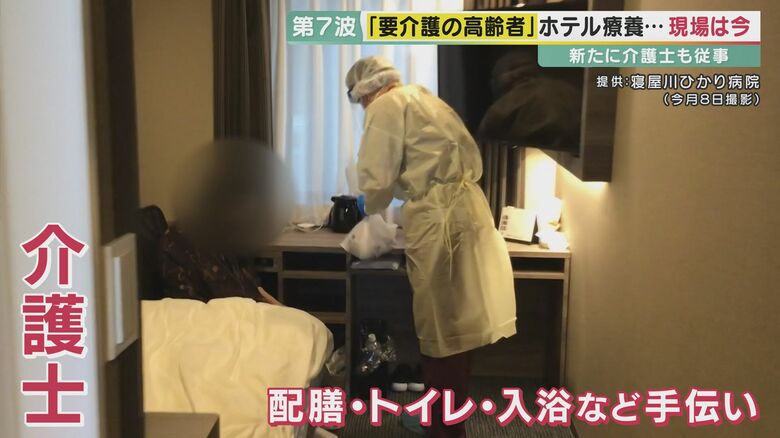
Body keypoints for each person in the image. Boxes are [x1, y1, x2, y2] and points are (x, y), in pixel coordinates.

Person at [346, 56, 517, 437]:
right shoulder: (423, 98)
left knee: (440, 332)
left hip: (440, 222)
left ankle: (442, 427)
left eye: (359, 101)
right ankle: (446, 417)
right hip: (467, 212)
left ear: (365, 91)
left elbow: (376, 178)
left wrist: (366, 203)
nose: (363, 108)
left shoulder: (385, 107)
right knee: (459, 330)